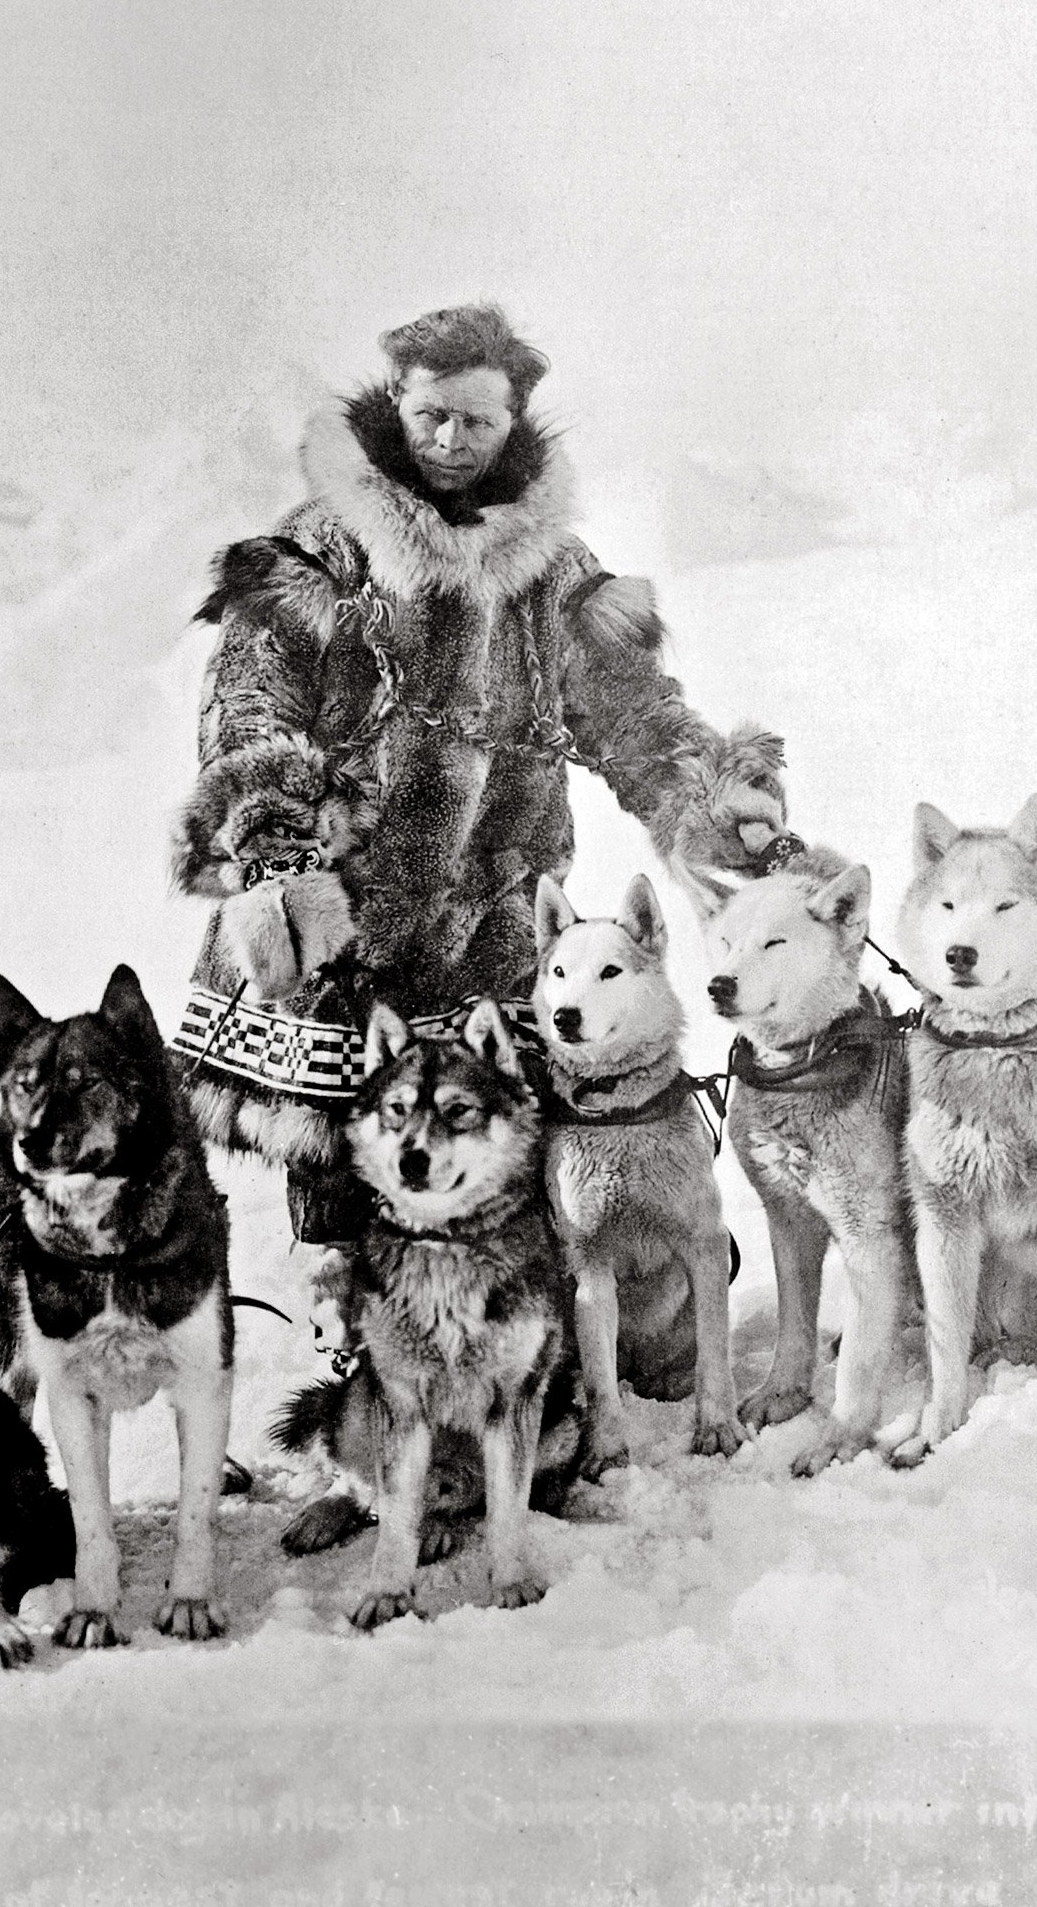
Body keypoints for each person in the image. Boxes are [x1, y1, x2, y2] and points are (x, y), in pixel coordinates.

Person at [169, 301, 787, 1256]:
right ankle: (353, 1322)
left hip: (493, 925)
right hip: (346, 922)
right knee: (357, 1180)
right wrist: (277, 852)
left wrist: (712, 803)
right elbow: (250, 708)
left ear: (514, 421)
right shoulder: (317, 550)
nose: (452, 441)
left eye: (477, 421)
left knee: (510, 1166)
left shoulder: (556, 571)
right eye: (432, 416)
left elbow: (632, 715)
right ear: (397, 404)